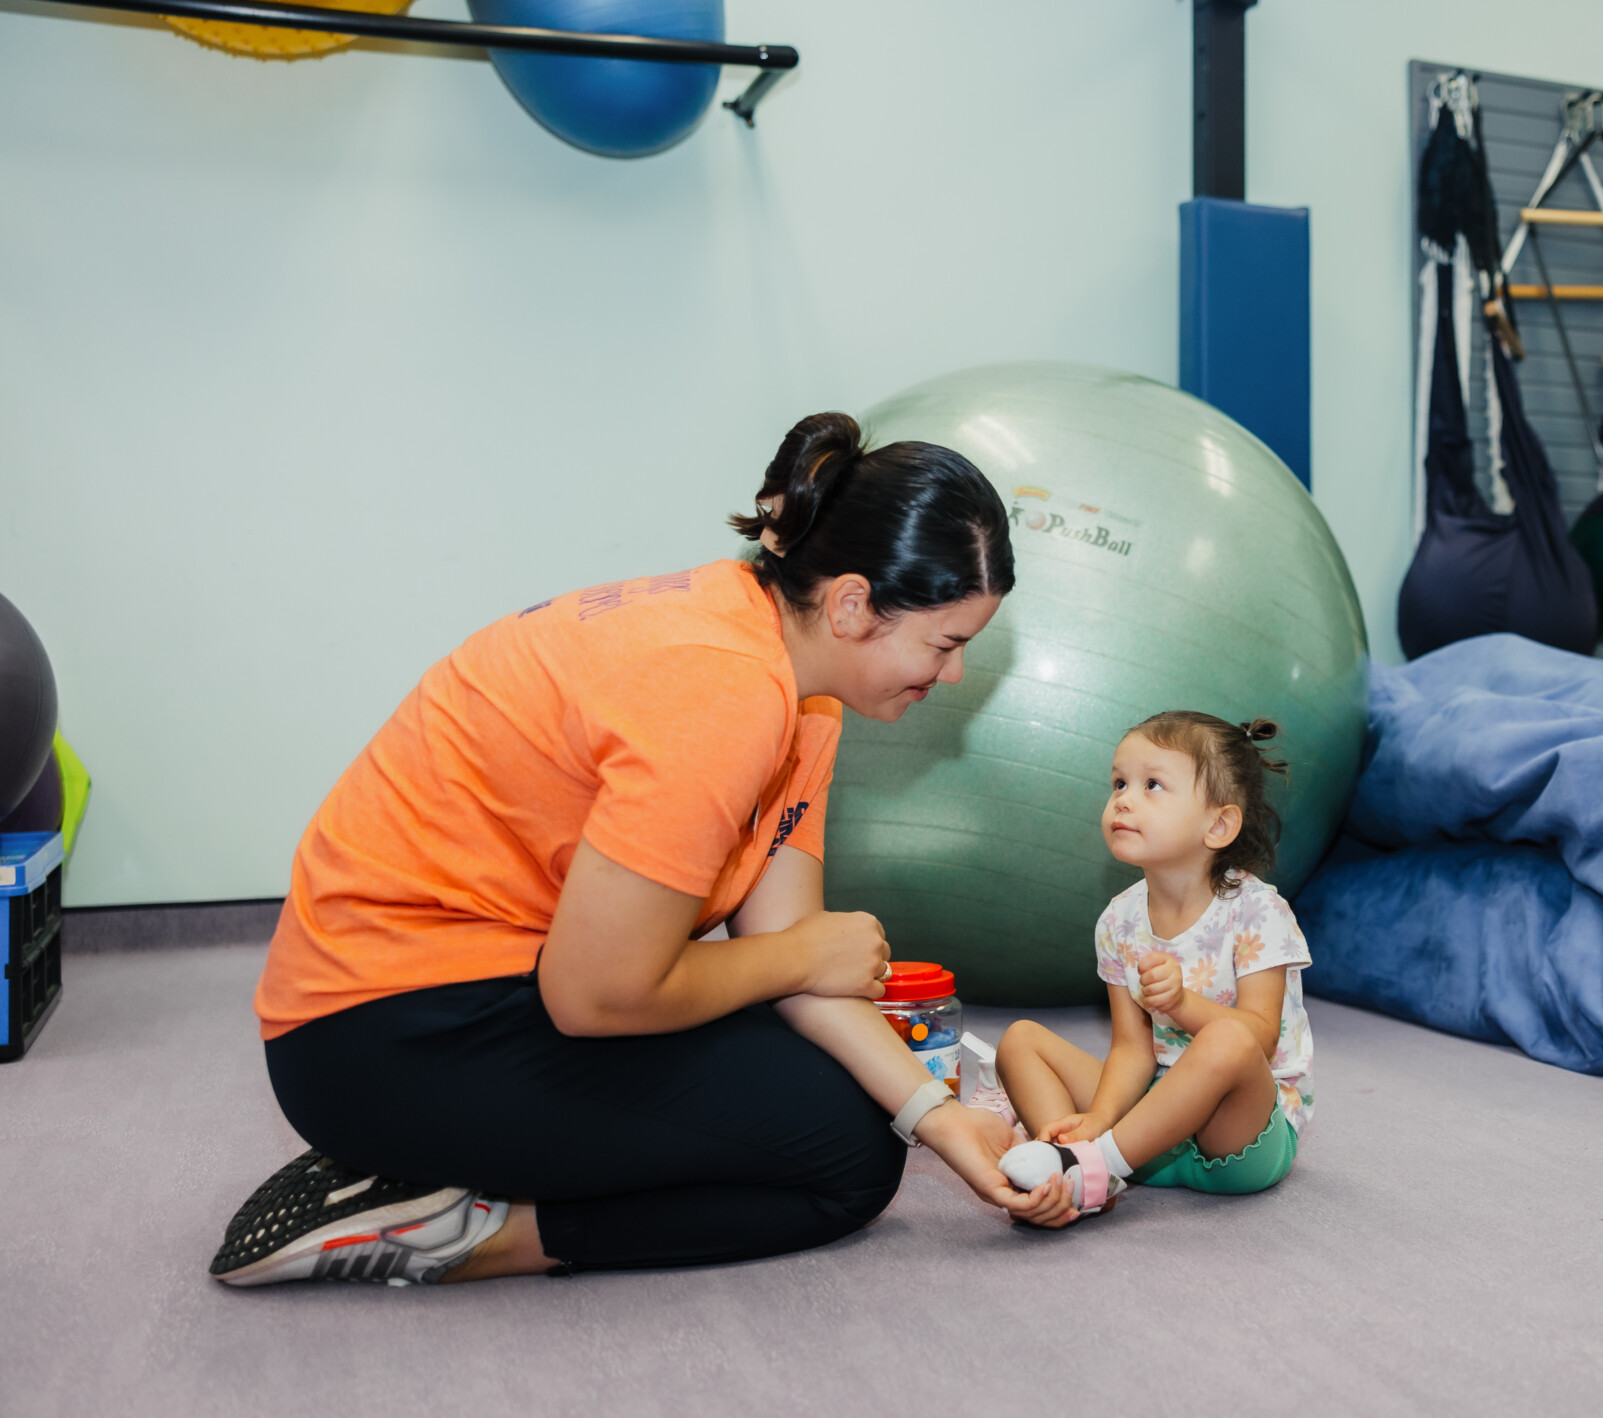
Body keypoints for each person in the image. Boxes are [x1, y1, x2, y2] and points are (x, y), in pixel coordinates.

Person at [212, 411, 1077, 1288]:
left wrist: (936, 1114)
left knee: (853, 1109)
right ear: (853, 603)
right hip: (378, 1038)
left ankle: (443, 1185)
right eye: (947, 642)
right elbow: (602, 995)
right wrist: (795, 959)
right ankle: (457, 1228)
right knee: (845, 1158)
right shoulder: (724, 690)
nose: (955, 674)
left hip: (469, 993)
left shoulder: (791, 680)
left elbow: (797, 959)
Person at [992, 711, 1314, 1222]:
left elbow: (1260, 1039)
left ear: (1218, 824)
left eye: (1152, 785)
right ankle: (1067, 1168)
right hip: (1152, 1120)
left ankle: (1098, 1166)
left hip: (1236, 1134)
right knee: (1021, 1040)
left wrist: (1183, 1004)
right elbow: (1131, 1048)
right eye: (1119, 782)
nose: (1123, 798)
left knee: (1227, 1041)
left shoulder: (1257, 911)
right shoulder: (1119, 919)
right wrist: (1098, 1116)